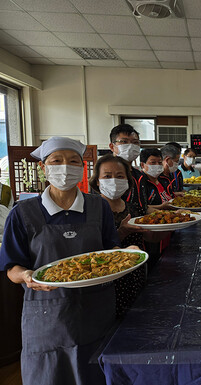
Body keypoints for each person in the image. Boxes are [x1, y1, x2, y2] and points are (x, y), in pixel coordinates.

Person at [0, 137, 124, 385]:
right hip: (46, 316)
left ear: (82, 168)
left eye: (73, 161)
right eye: (57, 161)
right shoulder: (23, 213)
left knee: (97, 373)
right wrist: (26, 276)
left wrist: (126, 253)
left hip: (96, 312)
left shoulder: (98, 207)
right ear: (44, 168)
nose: (65, 167)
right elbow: (11, 268)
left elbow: (112, 251)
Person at [89, 154, 146, 318]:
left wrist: (162, 227)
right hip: (107, 281)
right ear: (98, 181)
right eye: (107, 176)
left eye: (120, 176)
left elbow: (148, 240)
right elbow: (92, 250)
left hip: (135, 276)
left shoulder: (133, 208)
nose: (114, 180)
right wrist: (121, 232)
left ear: (127, 180)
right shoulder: (91, 211)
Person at [109, 124, 147, 217]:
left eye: (135, 142)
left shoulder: (139, 175)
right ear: (112, 146)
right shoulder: (107, 175)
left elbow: (141, 208)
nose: (130, 146)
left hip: (140, 226)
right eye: (124, 142)